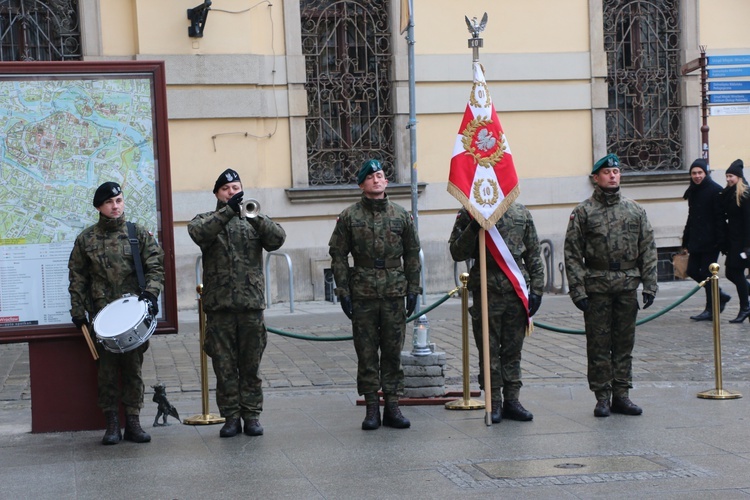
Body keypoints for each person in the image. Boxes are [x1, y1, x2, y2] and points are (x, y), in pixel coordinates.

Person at [188, 168, 286, 438]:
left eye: (236, 188)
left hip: (251, 306)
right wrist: (227, 211)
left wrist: (254, 217)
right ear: (217, 194)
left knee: (250, 365)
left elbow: (277, 239)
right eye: (227, 189)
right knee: (224, 366)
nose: (233, 192)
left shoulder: (252, 218)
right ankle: (231, 417)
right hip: (219, 307)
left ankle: (252, 415)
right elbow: (199, 234)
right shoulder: (207, 219)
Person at [328, 159, 422, 430]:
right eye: (370, 177)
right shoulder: (350, 216)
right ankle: (371, 408)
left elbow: (413, 254)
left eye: (380, 175)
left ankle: (392, 405)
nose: (376, 180)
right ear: (361, 184)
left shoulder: (401, 215)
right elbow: (338, 254)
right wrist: (343, 290)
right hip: (363, 292)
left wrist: (413, 289)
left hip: (394, 291)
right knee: (367, 352)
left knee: (393, 351)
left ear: (386, 181)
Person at [68, 181, 164, 445]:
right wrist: (78, 311)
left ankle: (133, 421)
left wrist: (151, 294)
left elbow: (156, 267)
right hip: (102, 317)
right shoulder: (86, 239)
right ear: (99, 206)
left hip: (132, 315)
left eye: (119, 200)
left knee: (133, 369)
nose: (115, 206)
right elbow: (77, 278)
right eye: (110, 202)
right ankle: (112, 424)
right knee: (106, 371)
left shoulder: (137, 234)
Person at [564, 154, 657, 418]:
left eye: (616, 171)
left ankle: (622, 394)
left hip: (627, 284)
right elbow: (572, 253)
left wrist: (650, 285)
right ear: (596, 178)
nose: (613, 175)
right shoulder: (583, 212)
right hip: (597, 286)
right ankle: (602, 397)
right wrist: (578, 290)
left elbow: (648, 249)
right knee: (598, 344)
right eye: (607, 172)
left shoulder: (635, 210)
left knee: (624, 343)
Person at [448, 203, 544, 423]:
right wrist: (474, 226)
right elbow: (456, 252)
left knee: (513, 350)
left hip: (515, 291)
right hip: (486, 289)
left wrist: (537, 289)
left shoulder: (521, 213)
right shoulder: (470, 212)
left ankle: (512, 400)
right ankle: (494, 402)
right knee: (488, 351)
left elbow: (533, 253)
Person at [681, 158, 730, 321]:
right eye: (694, 173)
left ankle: (711, 309)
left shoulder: (715, 190)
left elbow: (720, 219)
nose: (697, 176)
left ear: (705, 173)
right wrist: (685, 241)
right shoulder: (693, 191)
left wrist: (721, 242)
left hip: (711, 241)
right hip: (696, 240)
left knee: (707, 274)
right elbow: (691, 217)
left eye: (700, 173)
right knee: (692, 271)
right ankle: (720, 295)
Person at [719, 159, 750, 323]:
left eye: (731, 176)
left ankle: (745, 307)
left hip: (741, 243)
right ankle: (746, 305)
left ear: (738, 177)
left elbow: (748, 221)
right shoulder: (729, 193)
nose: (729, 179)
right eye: (727, 176)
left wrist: (747, 246)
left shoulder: (744, 195)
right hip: (733, 241)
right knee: (733, 273)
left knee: (734, 272)